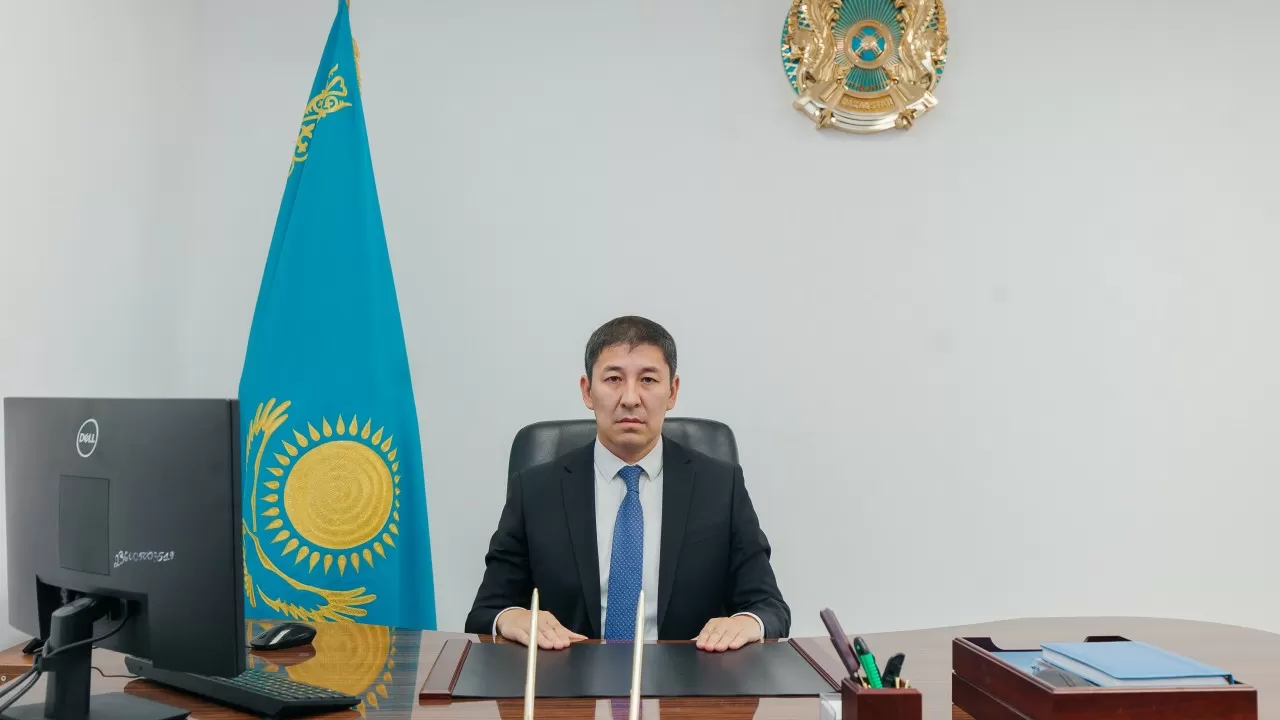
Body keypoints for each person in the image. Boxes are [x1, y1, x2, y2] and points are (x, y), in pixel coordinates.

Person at [465, 316, 790, 652]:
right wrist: (512, 616)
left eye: (648, 379)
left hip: (689, 678)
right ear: (587, 391)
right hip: (567, 677)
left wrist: (745, 622)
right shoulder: (535, 490)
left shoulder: (720, 486)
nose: (631, 398)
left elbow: (769, 607)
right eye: (614, 379)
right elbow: (487, 611)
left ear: (672, 391)